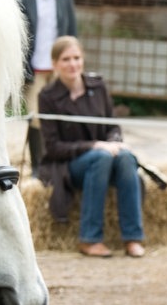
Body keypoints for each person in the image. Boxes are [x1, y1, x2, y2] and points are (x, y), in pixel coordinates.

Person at [38, 36, 146, 258]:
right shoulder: (47, 97)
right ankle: (90, 239)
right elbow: (53, 147)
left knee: (126, 157)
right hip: (69, 165)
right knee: (101, 157)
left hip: (104, 156)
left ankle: (133, 238)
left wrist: (115, 142)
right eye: (66, 59)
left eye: (76, 58)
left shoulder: (98, 86)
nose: (72, 64)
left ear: (83, 59)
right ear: (55, 64)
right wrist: (95, 146)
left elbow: (112, 125)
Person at [18, 0, 77, 170]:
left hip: (58, 68)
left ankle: (59, 164)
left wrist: (72, 65)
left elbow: (72, 33)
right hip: (35, 69)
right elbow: (20, 36)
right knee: (36, 118)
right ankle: (37, 168)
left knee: (60, 116)